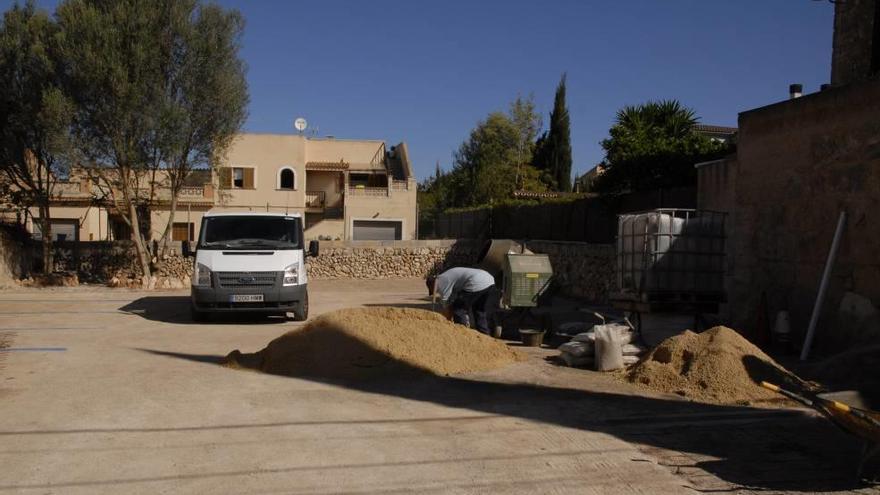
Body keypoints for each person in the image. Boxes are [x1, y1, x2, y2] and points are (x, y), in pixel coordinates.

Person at [427, 267, 500, 335]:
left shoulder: (440, 281)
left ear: (432, 285)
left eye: (433, 290)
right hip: (488, 280)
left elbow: (445, 303)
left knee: (458, 309)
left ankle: (462, 334)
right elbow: (454, 296)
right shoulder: (446, 275)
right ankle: (484, 335)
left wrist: (445, 320)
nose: (436, 292)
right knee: (479, 310)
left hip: (475, 282)